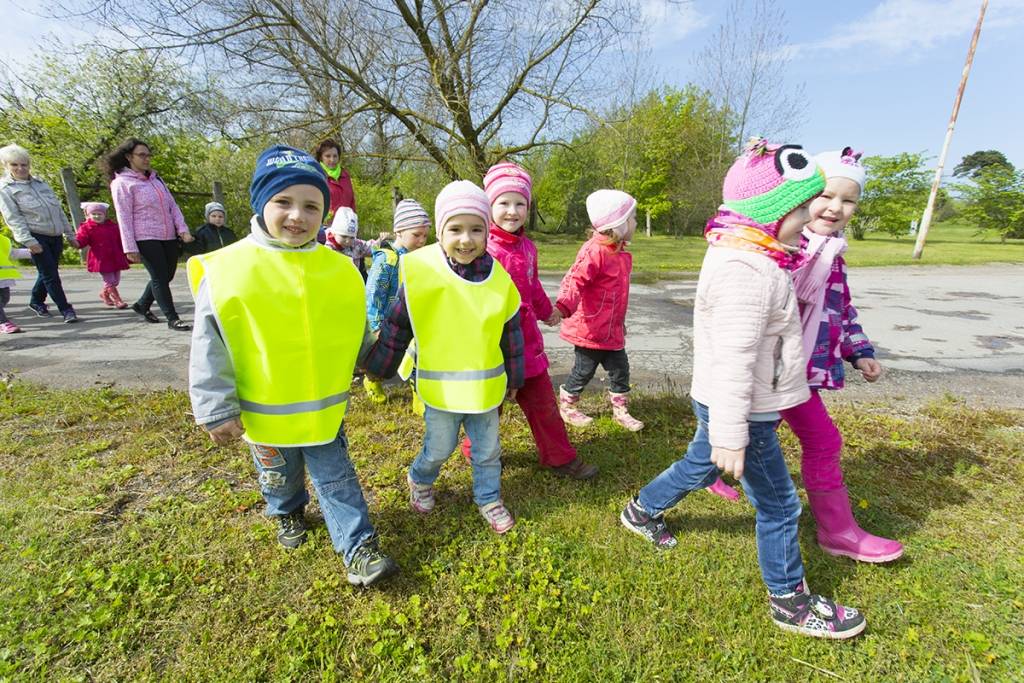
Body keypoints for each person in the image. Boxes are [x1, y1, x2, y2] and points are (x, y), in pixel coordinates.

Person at [620, 139, 867, 639]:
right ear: (772, 213)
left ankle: (641, 509)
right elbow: (736, 358)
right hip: (742, 408)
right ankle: (790, 602)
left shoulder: (749, 251)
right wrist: (733, 433)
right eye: (801, 209)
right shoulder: (747, 271)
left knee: (698, 462)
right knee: (779, 505)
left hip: (729, 399)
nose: (809, 218)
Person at [187, 144, 397, 587]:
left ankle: (358, 548)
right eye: (283, 202)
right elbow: (210, 344)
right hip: (264, 416)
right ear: (260, 203)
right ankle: (286, 512)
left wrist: (377, 361)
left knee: (337, 479)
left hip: (323, 413)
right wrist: (215, 408)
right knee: (279, 479)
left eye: (311, 206)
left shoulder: (339, 269)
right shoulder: (228, 270)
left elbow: (354, 326)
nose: (297, 216)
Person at [706, 147, 903, 563]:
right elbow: (750, 320)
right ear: (799, 199)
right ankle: (838, 531)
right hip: (781, 371)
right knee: (820, 441)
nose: (835, 208)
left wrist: (859, 351)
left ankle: (705, 474)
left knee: (755, 436)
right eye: (827, 195)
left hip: (802, 368)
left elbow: (840, 308)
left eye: (849, 200)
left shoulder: (831, 252)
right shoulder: (784, 248)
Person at [364, 180, 525, 534]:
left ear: (487, 231)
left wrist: (515, 379)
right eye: (455, 229)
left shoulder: (499, 279)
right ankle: (419, 478)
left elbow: (511, 334)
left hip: (484, 392)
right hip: (440, 391)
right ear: (440, 231)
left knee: (487, 451)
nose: (466, 239)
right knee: (439, 447)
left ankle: (488, 497)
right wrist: (377, 369)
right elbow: (396, 327)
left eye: (475, 229)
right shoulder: (422, 273)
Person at [460, 162, 598, 480]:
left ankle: (559, 457)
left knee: (543, 405)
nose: (512, 211)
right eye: (503, 203)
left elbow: (532, 285)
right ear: (489, 206)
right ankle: (476, 450)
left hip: (527, 344)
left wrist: (545, 310)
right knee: (489, 408)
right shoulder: (481, 250)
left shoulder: (528, 248)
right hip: (492, 347)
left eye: (519, 203)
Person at [555, 190, 644, 431]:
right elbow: (574, 280)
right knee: (583, 370)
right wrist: (563, 306)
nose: (635, 222)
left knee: (620, 370)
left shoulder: (620, 251)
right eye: (633, 218)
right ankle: (567, 407)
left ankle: (620, 411)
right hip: (591, 328)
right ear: (619, 224)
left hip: (612, 328)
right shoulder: (594, 251)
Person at [106, 138, 195, 331]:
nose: (147, 159)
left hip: (168, 235)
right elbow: (124, 216)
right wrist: (129, 247)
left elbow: (172, 206)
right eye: (142, 155)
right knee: (159, 277)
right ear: (129, 157)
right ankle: (173, 318)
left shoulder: (156, 179)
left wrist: (182, 229)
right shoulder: (122, 183)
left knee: (167, 275)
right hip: (144, 237)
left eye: (148, 155)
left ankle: (142, 304)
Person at [0, 144, 81, 323]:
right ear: (6, 166)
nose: (20, 168)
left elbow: (58, 211)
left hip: (55, 235)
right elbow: (13, 218)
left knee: (48, 272)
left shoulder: (41, 184)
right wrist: (28, 241)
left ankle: (36, 301)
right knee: (51, 275)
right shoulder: (6, 189)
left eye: (24, 164)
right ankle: (66, 309)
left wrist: (70, 234)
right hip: (35, 236)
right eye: (14, 165)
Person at [361, 198, 430, 405]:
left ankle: (419, 394)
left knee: (416, 355)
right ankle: (372, 380)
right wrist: (376, 324)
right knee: (385, 361)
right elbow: (373, 294)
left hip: (412, 318)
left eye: (425, 236)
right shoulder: (388, 260)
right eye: (416, 235)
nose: (421, 241)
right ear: (399, 231)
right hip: (387, 321)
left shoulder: (417, 259)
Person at [75, 202, 131, 309]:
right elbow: (82, 240)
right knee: (110, 281)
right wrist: (76, 242)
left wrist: (126, 251)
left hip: (115, 257)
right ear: (88, 215)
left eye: (99, 214)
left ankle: (104, 294)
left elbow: (121, 239)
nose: (97, 216)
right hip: (101, 258)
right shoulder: (87, 227)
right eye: (94, 214)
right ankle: (118, 300)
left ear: (105, 215)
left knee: (115, 281)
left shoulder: (113, 226)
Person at [323, 207, 385, 280]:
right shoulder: (326, 247)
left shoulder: (356, 245)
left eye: (352, 237)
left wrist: (380, 241)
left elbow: (369, 247)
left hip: (352, 281)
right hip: (332, 280)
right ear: (334, 233)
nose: (348, 241)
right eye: (344, 236)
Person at [312, 138, 356, 226]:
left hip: (345, 228)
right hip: (322, 227)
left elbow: (351, 203)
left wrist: (354, 223)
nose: (332, 160)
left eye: (335, 156)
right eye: (328, 156)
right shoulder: (316, 175)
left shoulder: (345, 175)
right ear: (321, 157)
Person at [0, 228, 31, 333]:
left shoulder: (2, 240)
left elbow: (12, 253)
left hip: (3, 279)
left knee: (5, 298)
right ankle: (3, 322)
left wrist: (30, 252)